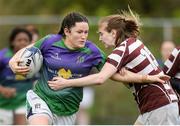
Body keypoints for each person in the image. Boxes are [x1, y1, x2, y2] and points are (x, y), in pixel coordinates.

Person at [9, 12, 169, 125]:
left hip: (68, 109)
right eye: (79, 32)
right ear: (67, 31)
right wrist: (13, 62)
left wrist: (145, 78)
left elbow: (114, 75)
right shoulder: (50, 41)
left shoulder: (92, 51)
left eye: (86, 32)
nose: (84, 36)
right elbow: (26, 50)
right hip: (42, 99)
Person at [0, 27, 33, 125]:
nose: (22, 42)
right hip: (3, 103)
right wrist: (3, 90)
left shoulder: (34, 58)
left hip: (24, 102)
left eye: (26, 40)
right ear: (12, 42)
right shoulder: (3, 56)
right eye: (19, 40)